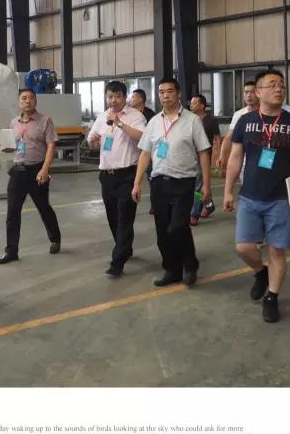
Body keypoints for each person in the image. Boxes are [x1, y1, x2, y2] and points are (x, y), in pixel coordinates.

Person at [223, 69, 290, 323]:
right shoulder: (245, 121)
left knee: (276, 251)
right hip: (249, 195)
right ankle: (260, 272)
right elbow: (235, 157)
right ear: (259, 92)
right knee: (243, 247)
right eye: (272, 84)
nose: (279, 89)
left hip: (280, 198)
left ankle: (272, 297)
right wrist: (228, 190)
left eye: (281, 85)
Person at [132, 77, 211, 287]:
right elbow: (145, 153)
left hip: (184, 182)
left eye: (169, 91)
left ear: (178, 94)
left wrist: (206, 185)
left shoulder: (192, 121)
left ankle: (190, 264)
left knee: (177, 227)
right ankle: (172, 270)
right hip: (159, 183)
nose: (165, 95)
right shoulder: (153, 122)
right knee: (162, 232)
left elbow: (203, 153)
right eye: (161, 92)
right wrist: (137, 182)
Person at [87, 81, 147, 278]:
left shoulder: (136, 116)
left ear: (125, 97)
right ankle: (125, 248)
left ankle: (117, 262)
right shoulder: (101, 117)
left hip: (127, 175)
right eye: (110, 96)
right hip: (107, 175)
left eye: (117, 96)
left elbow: (142, 137)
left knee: (124, 218)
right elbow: (93, 142)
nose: (113, 100)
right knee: (113, 218)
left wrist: (119, 123)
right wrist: (93, 142)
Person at [0, 88, 62, 263]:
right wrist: (5, 147)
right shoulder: (14, 122)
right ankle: (11, 251)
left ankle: (55, 239)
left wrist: (45, 169)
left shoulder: (45, 120)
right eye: (24, 98)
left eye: (31, 98)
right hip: (18, 171)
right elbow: (13, 146)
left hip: (37, 170)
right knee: (12, 212)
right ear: (19, 102)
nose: (28, 101)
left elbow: (51, 146)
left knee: (43, 208)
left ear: (35, 101)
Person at [189, 94, 221, 225]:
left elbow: (217, 138)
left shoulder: (211, 121)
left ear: (202, 105)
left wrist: (218, 156)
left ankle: (194, 214)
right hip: (190, 158)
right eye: (191, 103)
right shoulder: (189, 119)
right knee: (196, 186)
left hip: (204, 158)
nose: (191, 105)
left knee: (198, 187)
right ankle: (209, 205)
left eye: (194, 103)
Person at [217, 80, 258, 171]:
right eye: (246, 92)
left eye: (252, 92)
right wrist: (222, 155)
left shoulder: (266, 112)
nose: (249, 95)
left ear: (259, 93)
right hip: (244, 162)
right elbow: (229, 137)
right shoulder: (238, 114)